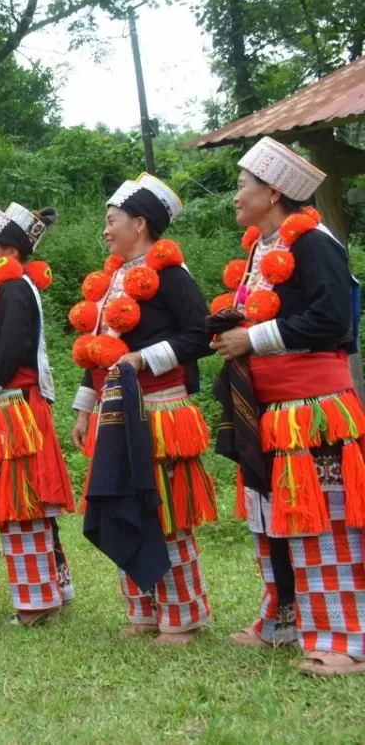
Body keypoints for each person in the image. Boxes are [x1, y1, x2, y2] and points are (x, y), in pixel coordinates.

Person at [212, 137, 365, 675]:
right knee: (271, 519)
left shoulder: (314, 242)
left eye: (242, 185)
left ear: (273, 191)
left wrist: (251, 341)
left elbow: (332, 322)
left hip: (312, 406)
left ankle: (345, 641)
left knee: (322, 521)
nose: (235, 195)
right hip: (269, 407)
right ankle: (283, 621)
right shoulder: (261, 247)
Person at [67, 173, 217, 646]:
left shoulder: (171, 273)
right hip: (114, 412)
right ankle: (143, 610)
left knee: (164, 509)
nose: (106, 230)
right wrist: (83, 408)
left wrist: (142, 358)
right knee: (122, 502)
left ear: (140, 222)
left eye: (112, 222)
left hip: (160, 410)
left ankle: (183, 616)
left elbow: (202, 335)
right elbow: (97, 349)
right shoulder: (111, 279)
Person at [0, 203, 75, 626]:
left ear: (9, 251)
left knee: (19, 503)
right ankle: (54, 589)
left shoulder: (11, 289)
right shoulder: (19, 287)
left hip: (12, 409)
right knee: (30, 503)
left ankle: (34, 602)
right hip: (22, 405)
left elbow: (8, 350)